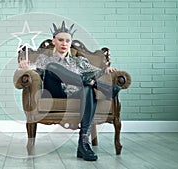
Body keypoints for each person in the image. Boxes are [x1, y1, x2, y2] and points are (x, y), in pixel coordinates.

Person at [18, 21, 121, 161]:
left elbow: (98, 71)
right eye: (60, 40)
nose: (64, 43)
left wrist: (107, 70)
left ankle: (83, 143)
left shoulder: (79, 61)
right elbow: (33, 71)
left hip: (75, 93)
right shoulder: (44, 59)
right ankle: (96, 85)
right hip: (55, 91)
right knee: (52, 66)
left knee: (88, 88)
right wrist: (24, 68)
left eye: (67, 40)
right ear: (54, 41)